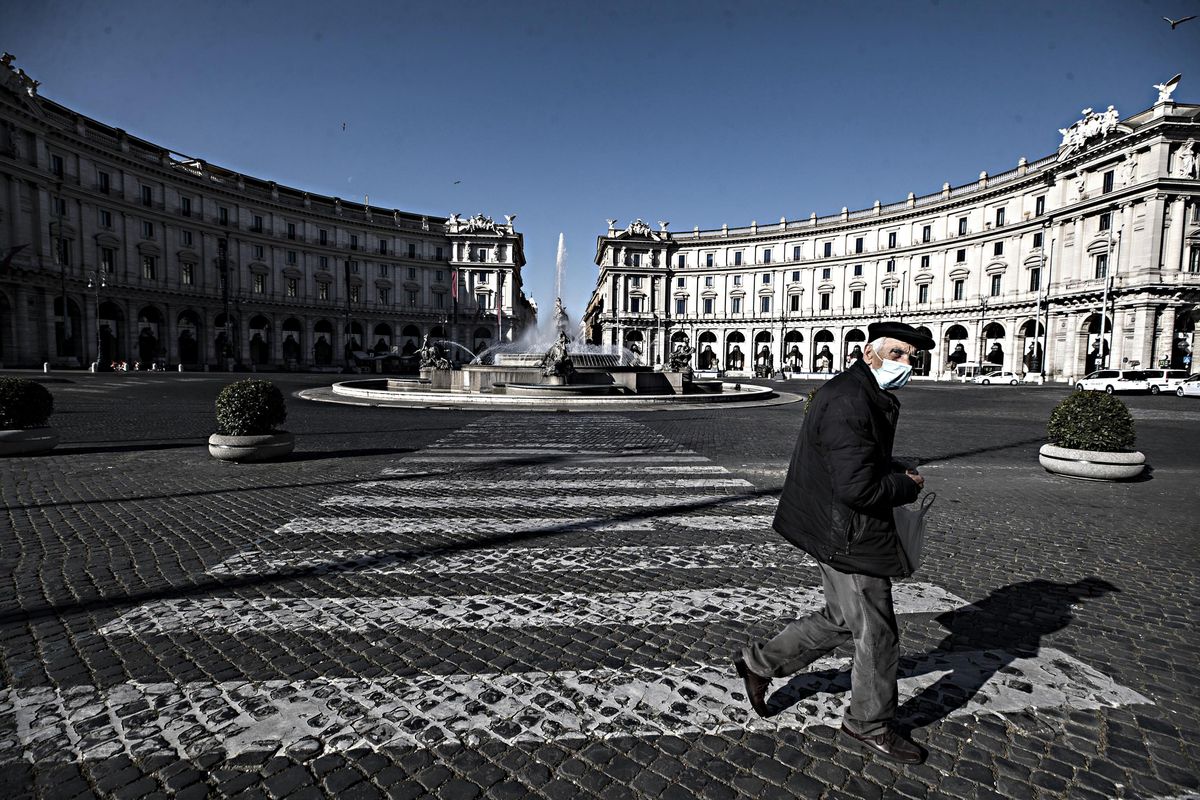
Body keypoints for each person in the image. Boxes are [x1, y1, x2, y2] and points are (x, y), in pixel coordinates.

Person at [734, 320, 936, 765]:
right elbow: (858, 489)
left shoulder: (855, 391)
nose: (906, 364)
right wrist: (907, 486)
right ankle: (869, 724)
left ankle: (760, 663)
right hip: (850, 532)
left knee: (843, 617)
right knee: (877, 633)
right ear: (870, 354)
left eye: (912, 358)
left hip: (832, 526)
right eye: (898, 354)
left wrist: (891, 467)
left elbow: (852, 462)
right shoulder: (851, 401)